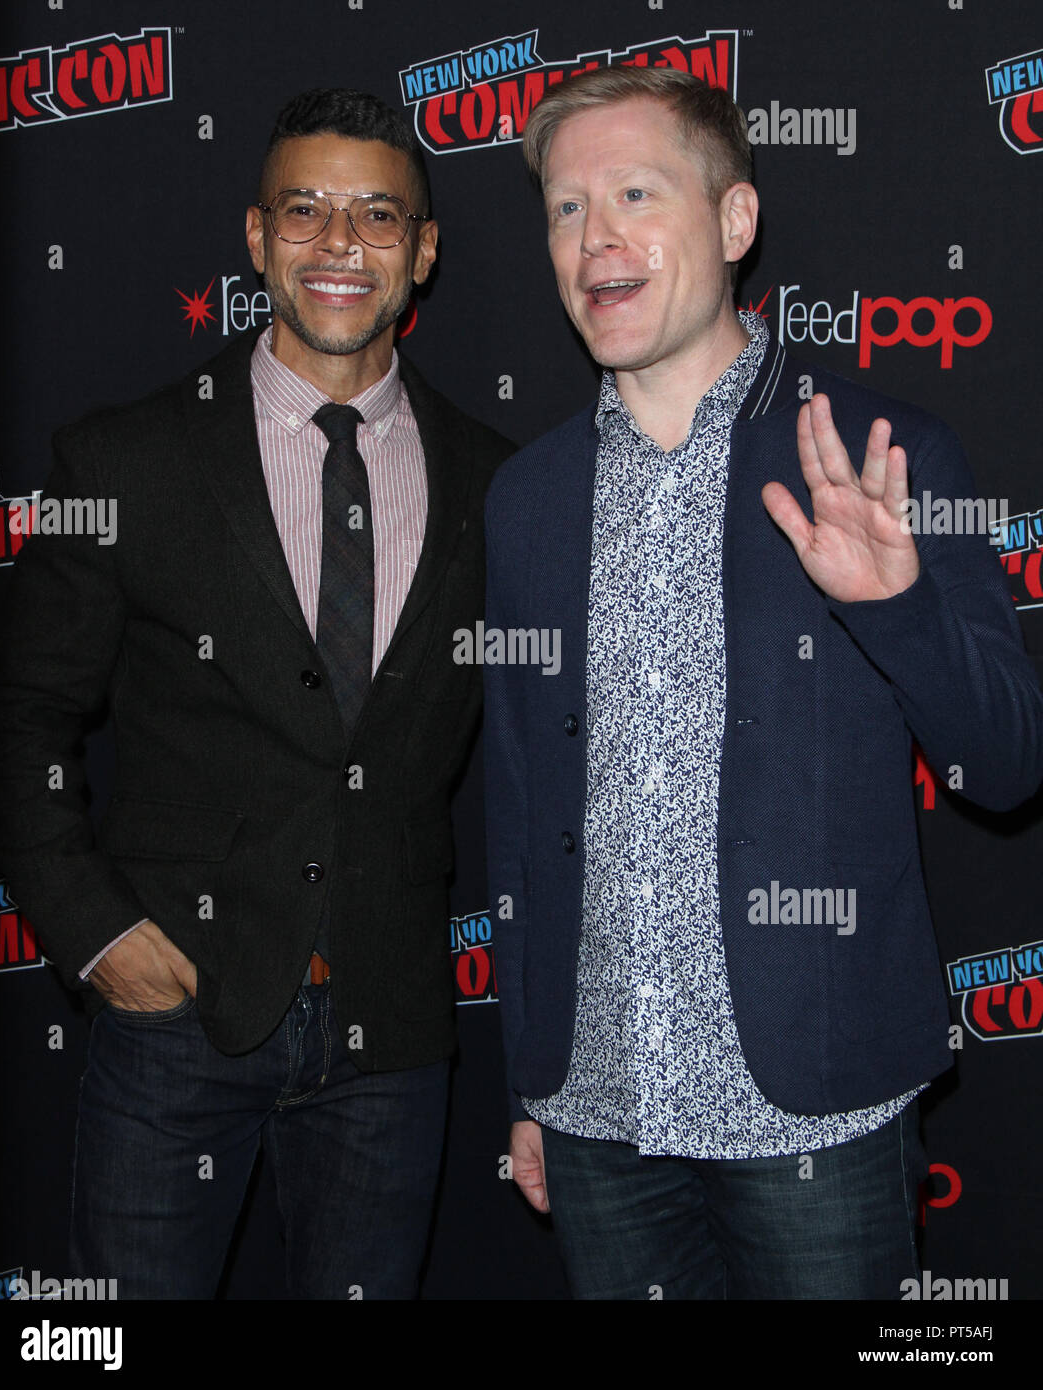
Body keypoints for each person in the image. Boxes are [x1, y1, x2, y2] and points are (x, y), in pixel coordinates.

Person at [483, 66, 1043, 1299]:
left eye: (636, 192)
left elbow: (1004, 760)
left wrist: (892, 604)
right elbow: (519, 811)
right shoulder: (524, 501)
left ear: (735, 222)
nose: (598, 239)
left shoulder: (881, 448)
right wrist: (530, 1082)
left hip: (817, 1118)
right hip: (596, 1116)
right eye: (567, 209)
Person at [0, 87, 513, 1299]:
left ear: (423, 252)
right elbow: (21, 721)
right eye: (306, 210)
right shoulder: (123, 459)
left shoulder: (496, 482)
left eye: (379, 215)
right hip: (175, 1019)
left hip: (393, 1031)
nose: (341, 245)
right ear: (257, 236)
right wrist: (98, 934)